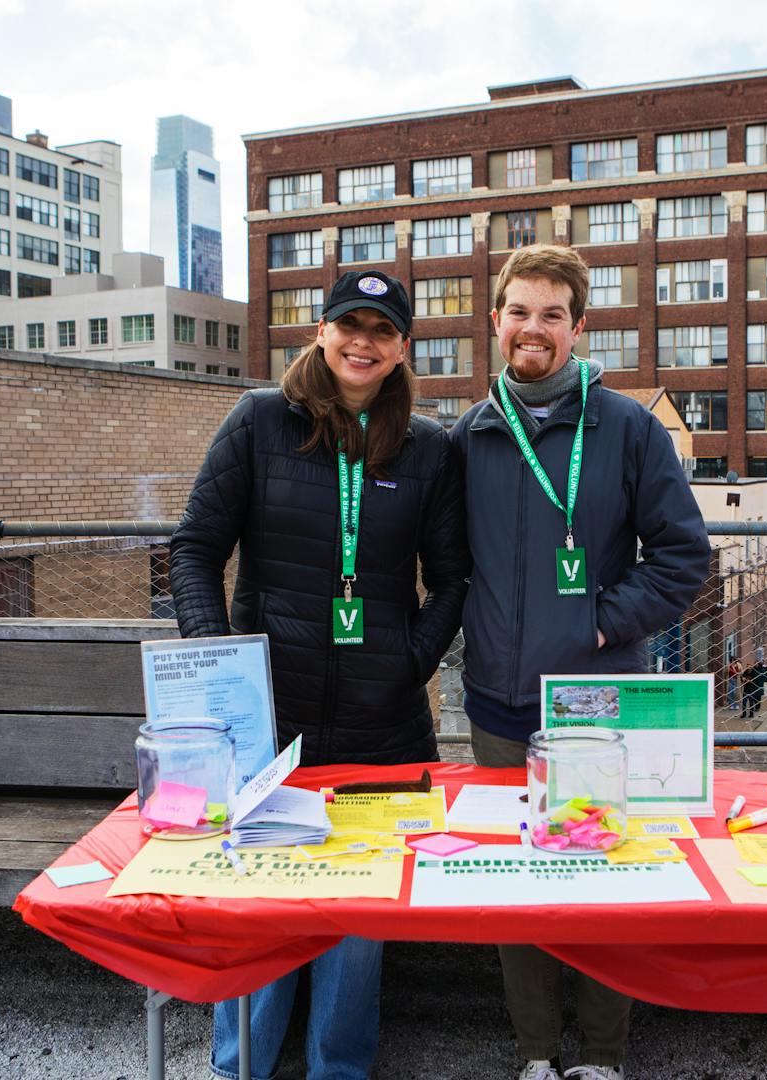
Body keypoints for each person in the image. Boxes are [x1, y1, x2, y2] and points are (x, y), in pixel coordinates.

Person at [169, 269, 469, 1080]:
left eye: (381, 329)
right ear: (321, 330)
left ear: (404, 345)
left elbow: (452, 578)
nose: (362, 342)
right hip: (271, 720)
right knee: (264, 906)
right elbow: (196, 546)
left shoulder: (429, 444)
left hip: (384, 729)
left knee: (357, 917)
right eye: (349, 324)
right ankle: (241, 1067)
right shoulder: (262, 419)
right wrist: (218, 661)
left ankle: (341, 1069)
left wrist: (411, 662)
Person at [449, 244, 711, 1080]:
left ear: (579, 327)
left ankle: (600, 1056)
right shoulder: (470, 436)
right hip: (497, 702)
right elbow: (448, 565)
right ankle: (536, 1052)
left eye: (552, 314)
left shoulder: (627, 427)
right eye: (519, 311)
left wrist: (601, 627)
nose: (534, 328)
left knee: (599, 878)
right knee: (515, 887)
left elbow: (682, 556)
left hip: (598, 699)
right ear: (496, 322)